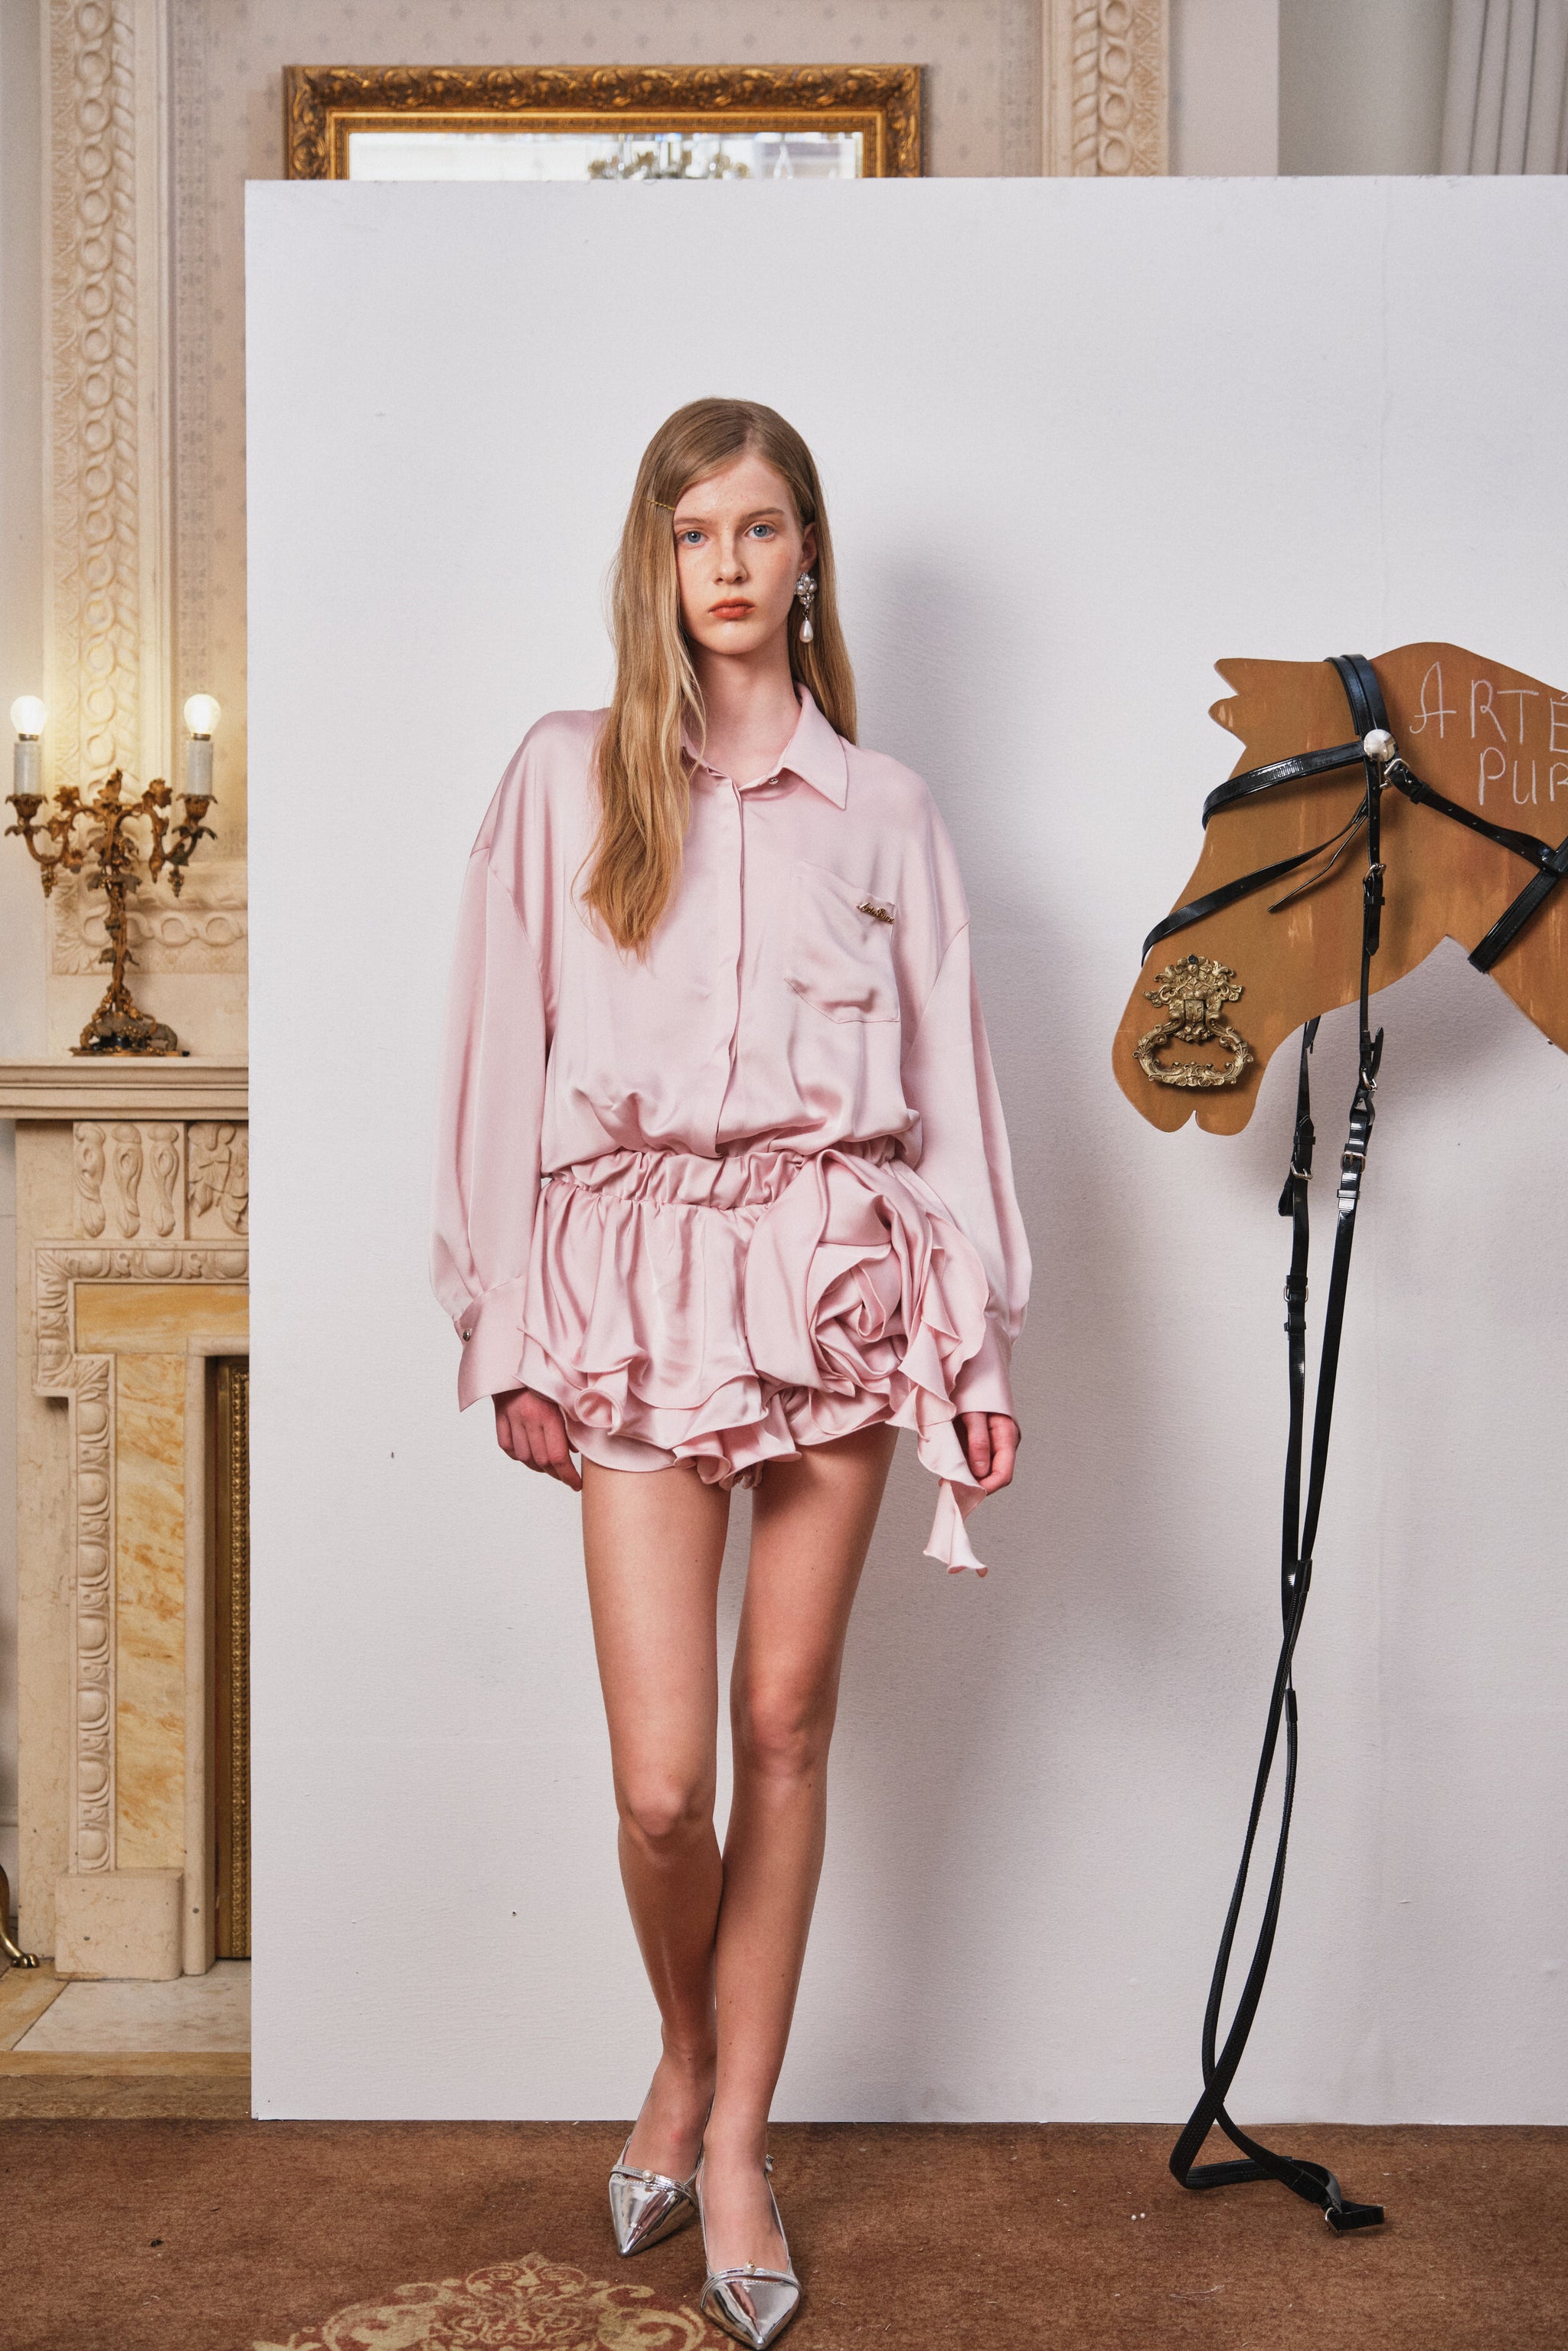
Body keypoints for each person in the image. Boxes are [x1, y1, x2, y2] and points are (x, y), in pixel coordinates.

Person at [430, 397, 1030, 2347]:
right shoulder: (567, 774)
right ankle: (683, 2052)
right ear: (658, 561)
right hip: (620, 1286)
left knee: (783, 1724)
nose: (731, 566)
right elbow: (496, 1060)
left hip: (837, 1286)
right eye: (696, 533)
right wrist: (502, 1326)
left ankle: (740, 2137)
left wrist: (977, 1344)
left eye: (761, 528)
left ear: (808, 554)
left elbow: (951, 1089)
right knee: (661, 1781)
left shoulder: (887, 811)